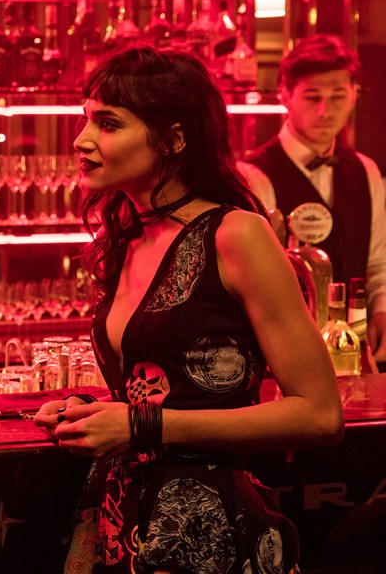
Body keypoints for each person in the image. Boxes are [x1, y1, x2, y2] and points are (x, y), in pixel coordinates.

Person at [34, 46, 344, 574]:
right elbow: (163, 385)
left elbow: (319, 414)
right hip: (124, 522)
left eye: (107, 124)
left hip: (208, 534)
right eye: (85, 120)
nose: (82, 141)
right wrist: (91, 413)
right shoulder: (130, 234)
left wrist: (142, 425)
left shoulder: (237, 233)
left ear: (175, 139)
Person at [239, 34, 386, 364]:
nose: (325, 110)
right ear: (285, 95)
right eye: (312, 97)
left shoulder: (366, 169)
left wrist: (381, 311)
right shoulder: (253, 175)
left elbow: (377, 261)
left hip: (357, 347)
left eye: (337, 96)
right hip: (286, 356)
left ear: (354, 96)